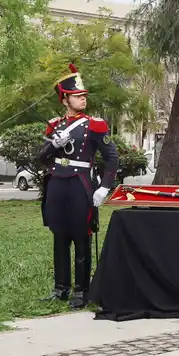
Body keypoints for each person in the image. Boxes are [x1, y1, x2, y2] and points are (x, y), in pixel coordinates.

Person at [35, 63, 117, 309]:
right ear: (65, 99)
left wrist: (104, 187)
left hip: (81, 184)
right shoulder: (55, 125)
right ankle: (61, 287)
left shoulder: (95, 124)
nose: (83, 99)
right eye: (77, 96)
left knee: (82, 237)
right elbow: (41, 158)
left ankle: (81, 290)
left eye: (83, 96)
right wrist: (54, 144)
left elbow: (111, 158)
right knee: (59, 235)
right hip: (57, 185)